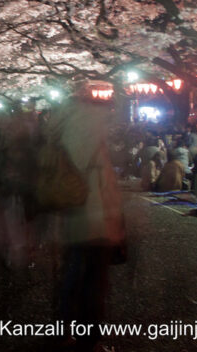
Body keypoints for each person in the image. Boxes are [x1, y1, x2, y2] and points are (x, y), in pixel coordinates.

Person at [51, 98, 125, 352]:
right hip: (96, 223)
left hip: (72, 219)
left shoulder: (64, 138)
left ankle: (61, 331)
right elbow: (107, 190)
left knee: (70, 277)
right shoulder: (95, 143)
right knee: (94, 284)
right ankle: (89, 340)